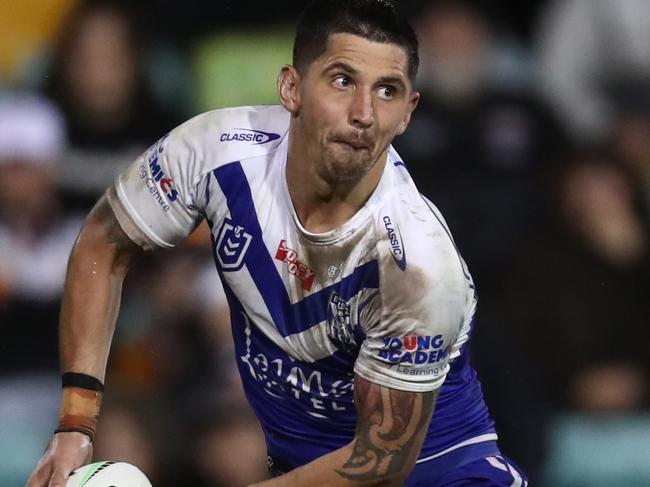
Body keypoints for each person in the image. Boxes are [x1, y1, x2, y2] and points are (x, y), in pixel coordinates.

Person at [27, 1, 527, 486]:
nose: (364, 113)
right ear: (291, 87)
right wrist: (76, 424)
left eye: (387, 91)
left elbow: (379, 463)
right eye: (342, 80)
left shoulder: (415, 265)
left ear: (408, 113)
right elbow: (103, 242)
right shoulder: (213, 154)